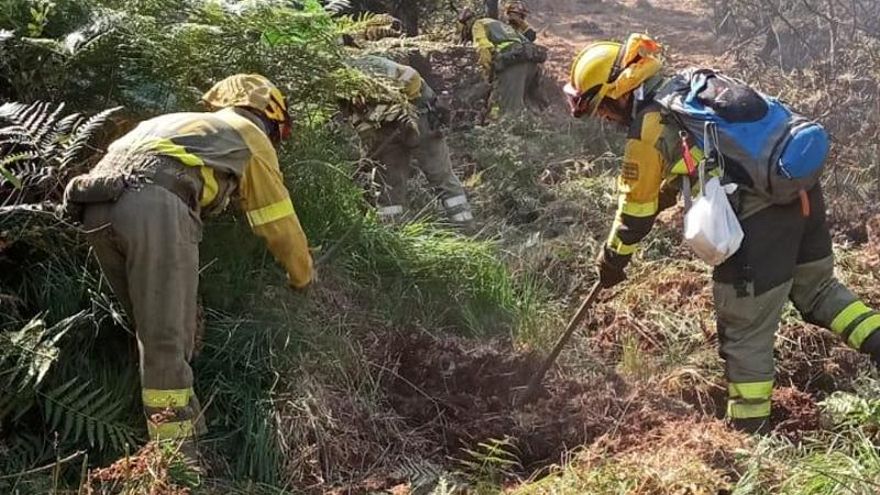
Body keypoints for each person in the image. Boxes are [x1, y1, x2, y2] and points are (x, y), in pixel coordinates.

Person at [565, 34, 880, 434]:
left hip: (759, 219)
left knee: (743, 332)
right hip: (801, 195)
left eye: (604, 109)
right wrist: (666, 193)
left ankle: (750, 441)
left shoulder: (647, 126)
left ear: (619, 93)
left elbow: (634, 213)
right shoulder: (693, 85)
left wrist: (612, 259)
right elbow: (705, 155)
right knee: (818, 292)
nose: (606, 119)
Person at [62, 74, 314, 453]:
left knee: (151, 327)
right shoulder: (250, 133)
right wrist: (303, 277)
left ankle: (164, 428)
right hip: (155, 206)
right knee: (166, 339)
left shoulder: (179, 122)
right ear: (271, 117)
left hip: (95, 204)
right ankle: (177, 461)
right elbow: (277, 222)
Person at [347, 55, 474, 225]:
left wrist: (405, 110)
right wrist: (369, 151)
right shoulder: (339, 90)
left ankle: (464, 224)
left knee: (440, 175)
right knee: (389, 185)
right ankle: (391, 234)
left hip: (420, 118)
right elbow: (361, 123)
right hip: (386, 130)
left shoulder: (369, 66)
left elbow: (411, 77)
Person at [458, 7, 546, 118]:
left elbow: (484, 48)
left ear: (466, 25)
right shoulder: (499, 25)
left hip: (514, 64)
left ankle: (509, 132)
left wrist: (487, 74)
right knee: (530, 104)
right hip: (531, 63)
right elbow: (526, 40)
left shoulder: (477, 24)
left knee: (508, 111)